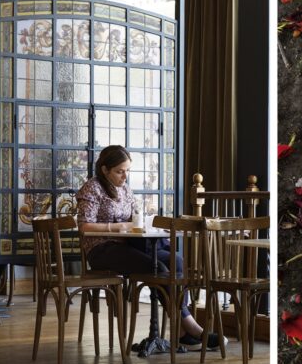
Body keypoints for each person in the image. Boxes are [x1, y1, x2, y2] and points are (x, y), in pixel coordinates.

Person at [75, 145, 225, 351]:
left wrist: (141, 222)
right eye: (119, 171)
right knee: (158, 269)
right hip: (101, 249)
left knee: (176, 260)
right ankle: (188, 325)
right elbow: (84, 226)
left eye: (127, 170)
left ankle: (181, 332)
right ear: (104, 170)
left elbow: (135, 217)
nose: (125, 176)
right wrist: (118, 226)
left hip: (128, 245)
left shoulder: (125, 190)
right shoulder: (92, 188)